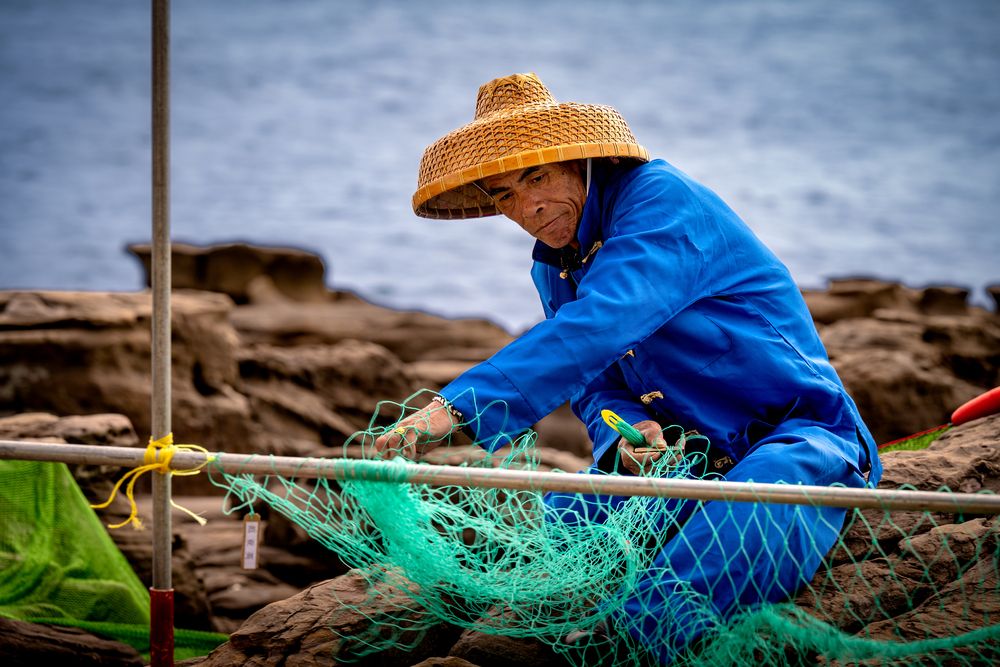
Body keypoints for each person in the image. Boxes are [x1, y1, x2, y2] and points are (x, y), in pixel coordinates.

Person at [373, 72, 882, 664]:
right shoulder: (553, 266)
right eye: (505, 195)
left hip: (799, 432)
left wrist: (453, 409)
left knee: (753, 512)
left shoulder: (662, 202)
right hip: (684, 462)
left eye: (536, 177)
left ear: (579, 159)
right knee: (559, 534)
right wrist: (627, 429)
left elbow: (599, 326)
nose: (528, 208)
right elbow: (597, 384)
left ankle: (626, 647)